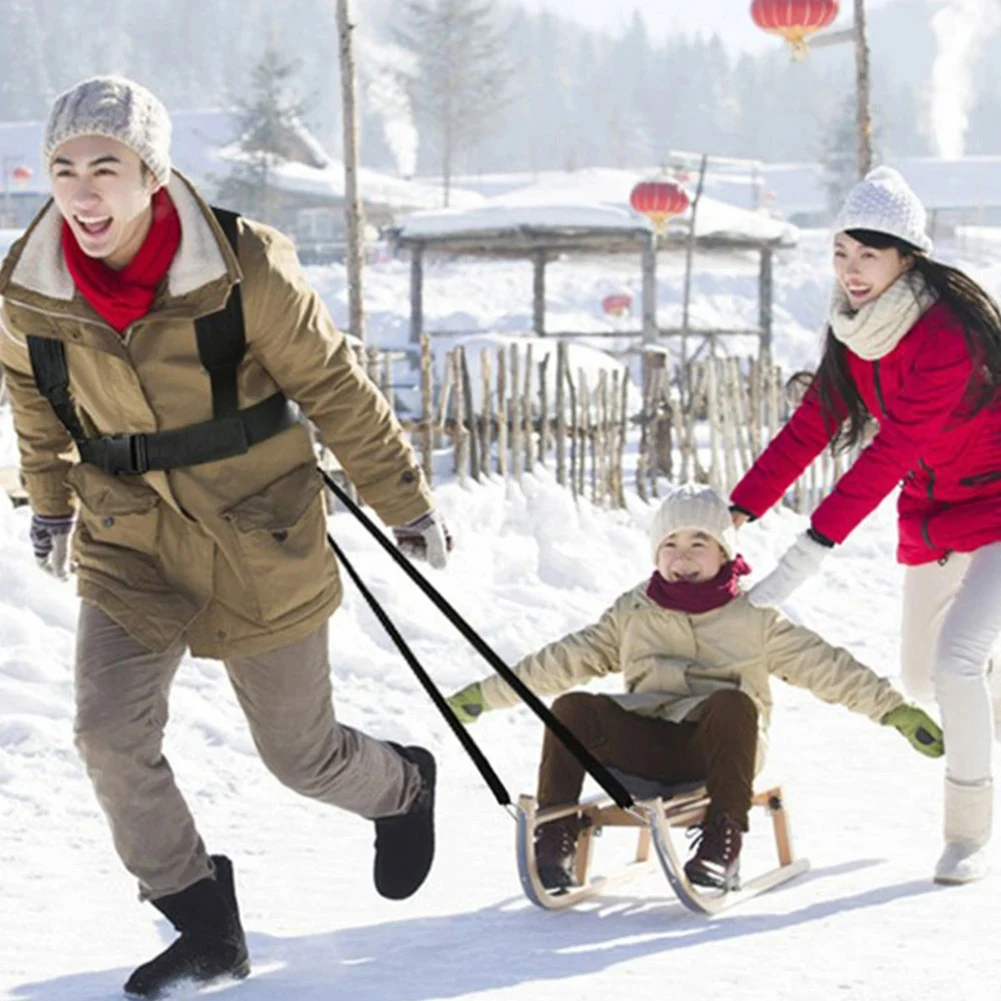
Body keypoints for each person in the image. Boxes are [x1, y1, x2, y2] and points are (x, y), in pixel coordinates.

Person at [0, 76, 450, 997]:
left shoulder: (243, 265)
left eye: (106, 168)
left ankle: (402, 786)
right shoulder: (29, 285)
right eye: (64, 169)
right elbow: (36, 407)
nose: (83, 193)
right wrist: (49, 501)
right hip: (130, 537)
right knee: (106, 730)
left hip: (258, 529)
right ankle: (201, 917)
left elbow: (332, 385)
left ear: (153, 175)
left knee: (301, 756)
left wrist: (401, 497)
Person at [446, 483, 942, 893]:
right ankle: (553, 838)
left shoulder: (755, 616)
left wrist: (895, 712)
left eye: (698, 544)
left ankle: (720, 846)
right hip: (645, 747)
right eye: (670, 546)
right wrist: (485, 696)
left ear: (724, 551)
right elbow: (564, 659)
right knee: (572, 706)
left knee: (732, 702)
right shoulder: (634, 610)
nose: (683, 558)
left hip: (717, 752)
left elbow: (828, 668)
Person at [729, 165, 1001, 886]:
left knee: (955, 663)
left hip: (999, 502)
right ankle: (986, 694)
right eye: (840, 253)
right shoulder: (856, 327)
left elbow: (891, 449)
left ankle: (966, 835)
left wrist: (803, 556)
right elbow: (815, 419)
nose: (850, 271)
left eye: (867, 256)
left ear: (906, 256)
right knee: (921, 675)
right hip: (935, 511)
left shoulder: (946, 334)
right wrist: (738, 507)